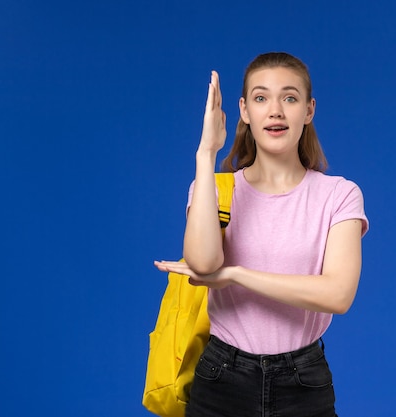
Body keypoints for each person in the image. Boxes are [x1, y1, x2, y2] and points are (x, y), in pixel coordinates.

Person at [154, 52, 368, 417]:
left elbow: (338, 294)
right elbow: (205, 263)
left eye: (289, 97)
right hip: (221, 377)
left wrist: (237, 275)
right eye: (260, 97)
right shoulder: (214, 189)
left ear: (309, 110)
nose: (275, 111)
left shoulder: (339, 194)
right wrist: (206, 153)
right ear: (244, 110)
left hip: (303, 381)